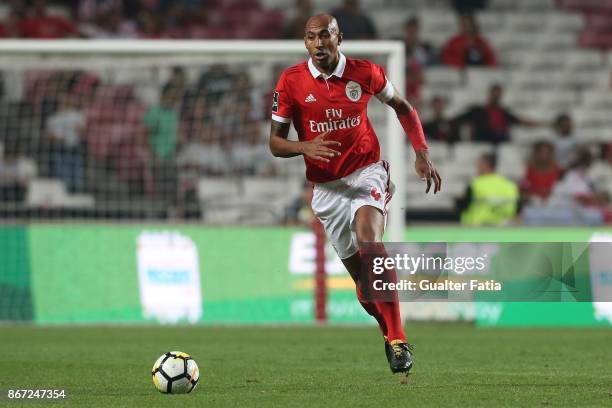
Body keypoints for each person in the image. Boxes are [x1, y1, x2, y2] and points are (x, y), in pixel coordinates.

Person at [268, 14, 441, 376]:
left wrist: (421, 151)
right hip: (326, 190)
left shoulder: (366, 73)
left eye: (325, 36)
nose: (319, 43)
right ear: (305, 43)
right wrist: (304, 147)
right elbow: (275, 143)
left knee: (370, 242)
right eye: (311, 37)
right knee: (363, 283)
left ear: (339, 38)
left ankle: (399, 338)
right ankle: (388, 333)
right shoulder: (291, 81)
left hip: (366, 173)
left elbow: (403, 107)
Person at [456, 83, 544, 143]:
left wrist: (542, 124)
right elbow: (459, 120)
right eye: (494, 94)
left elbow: (521, 121)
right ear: (489, 94)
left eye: (498, 94)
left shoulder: (504, 112)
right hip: (482, 142)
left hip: (501, 142)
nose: (496, 97)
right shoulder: (477, 110)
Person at [458, 153, 519, 225]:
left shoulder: (475, 184)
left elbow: (463, 205)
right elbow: (516, 210)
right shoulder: (509, 185)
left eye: (478, 165)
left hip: (476, 228)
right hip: (502, 228)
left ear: (485, 165)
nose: (477, 168)